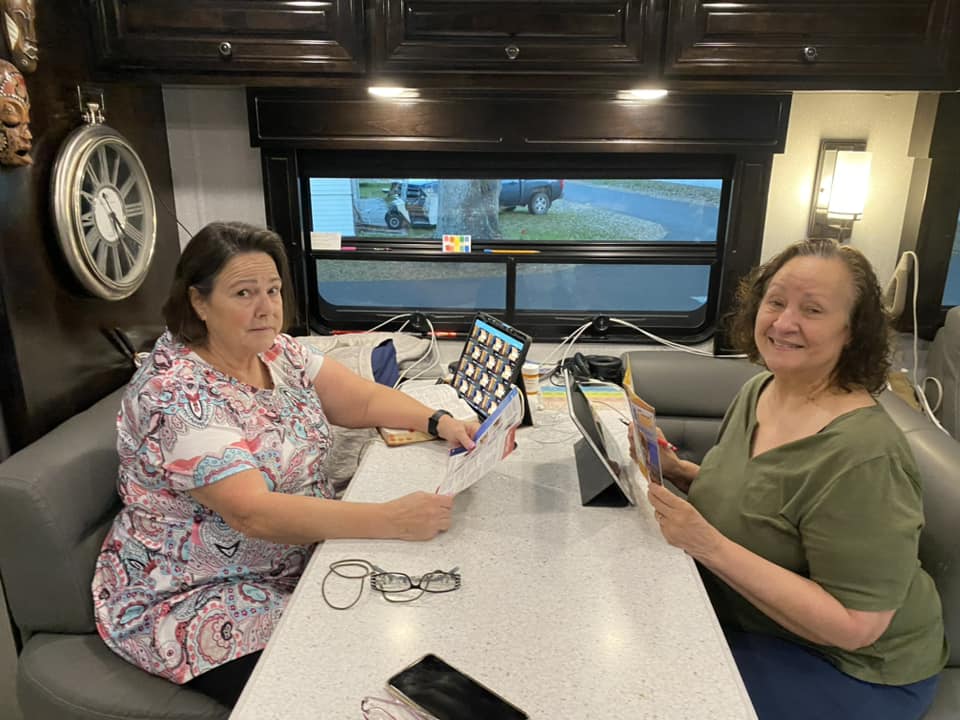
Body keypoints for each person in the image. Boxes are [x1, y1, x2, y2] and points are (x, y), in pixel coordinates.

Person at [92, 221, 479, 707]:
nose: (266, 307)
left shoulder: (275, 351)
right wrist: (392, 520)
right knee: (347, 680)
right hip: (197, 591)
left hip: (293, 558)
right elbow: (252, 513)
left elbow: (359, 401)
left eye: (272, 290)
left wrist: (439, 420)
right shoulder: (177, 393)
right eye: (244, 293)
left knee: (417, 620)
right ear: (198, 302)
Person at [633, 238, 947, 720]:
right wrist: (678, 471)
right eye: (775, 302)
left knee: (646, 692)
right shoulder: (761, 390)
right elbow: (758, 501)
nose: (783, 323)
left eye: (813, 310)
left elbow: (856, 625)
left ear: (852, 331)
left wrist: (707, 545)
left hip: (851, 668)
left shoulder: (865, 456)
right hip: (762, 625)